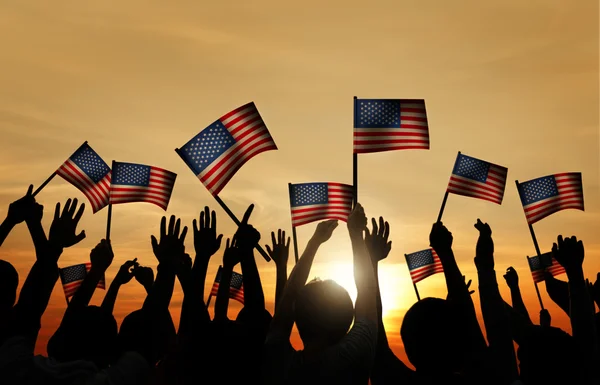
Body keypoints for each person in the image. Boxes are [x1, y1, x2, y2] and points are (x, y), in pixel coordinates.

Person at [263, 203, 378, 385]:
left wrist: (314, 242)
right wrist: (356, 234)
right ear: (348, 318)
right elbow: (367, 291)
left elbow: (289, 297)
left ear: (298, 317)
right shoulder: (357, 353)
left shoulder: (279, 362)